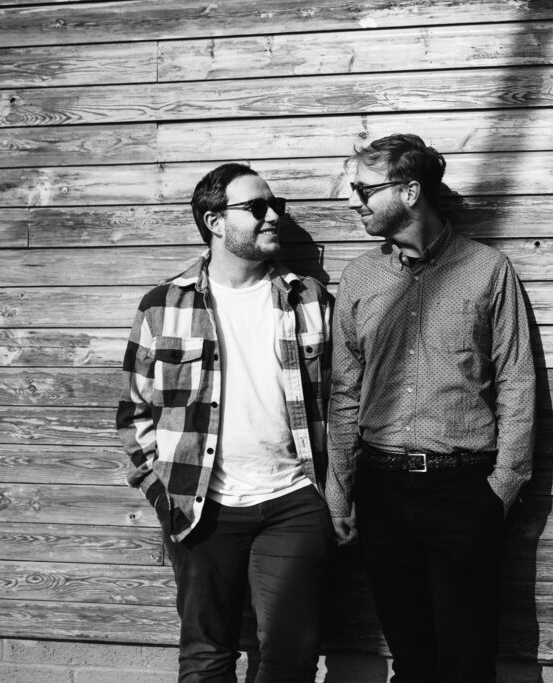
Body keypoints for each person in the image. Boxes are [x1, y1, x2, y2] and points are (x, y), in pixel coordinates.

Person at [326, 133, 536, 682]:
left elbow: (516, 379)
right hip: (381, 491)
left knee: (468, 662)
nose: (354, 201)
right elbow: (345, 391)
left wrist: (502, 487)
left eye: (363, 188)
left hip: (464, 491)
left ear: (411, 190)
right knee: (412, 658)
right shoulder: (359, 278)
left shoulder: (488, 270)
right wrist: (340, 488)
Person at [117, 163, 333, 682]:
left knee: (290, 658)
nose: (273, 215)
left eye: (275, 204)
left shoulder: (308, 299)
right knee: (206, 653)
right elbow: (134, 410)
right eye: (257, 208)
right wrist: (160, 489)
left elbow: (339, 398)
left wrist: (332, 488)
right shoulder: (164, 304)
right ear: (215, 222)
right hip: (199, 503)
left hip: (294, 500)